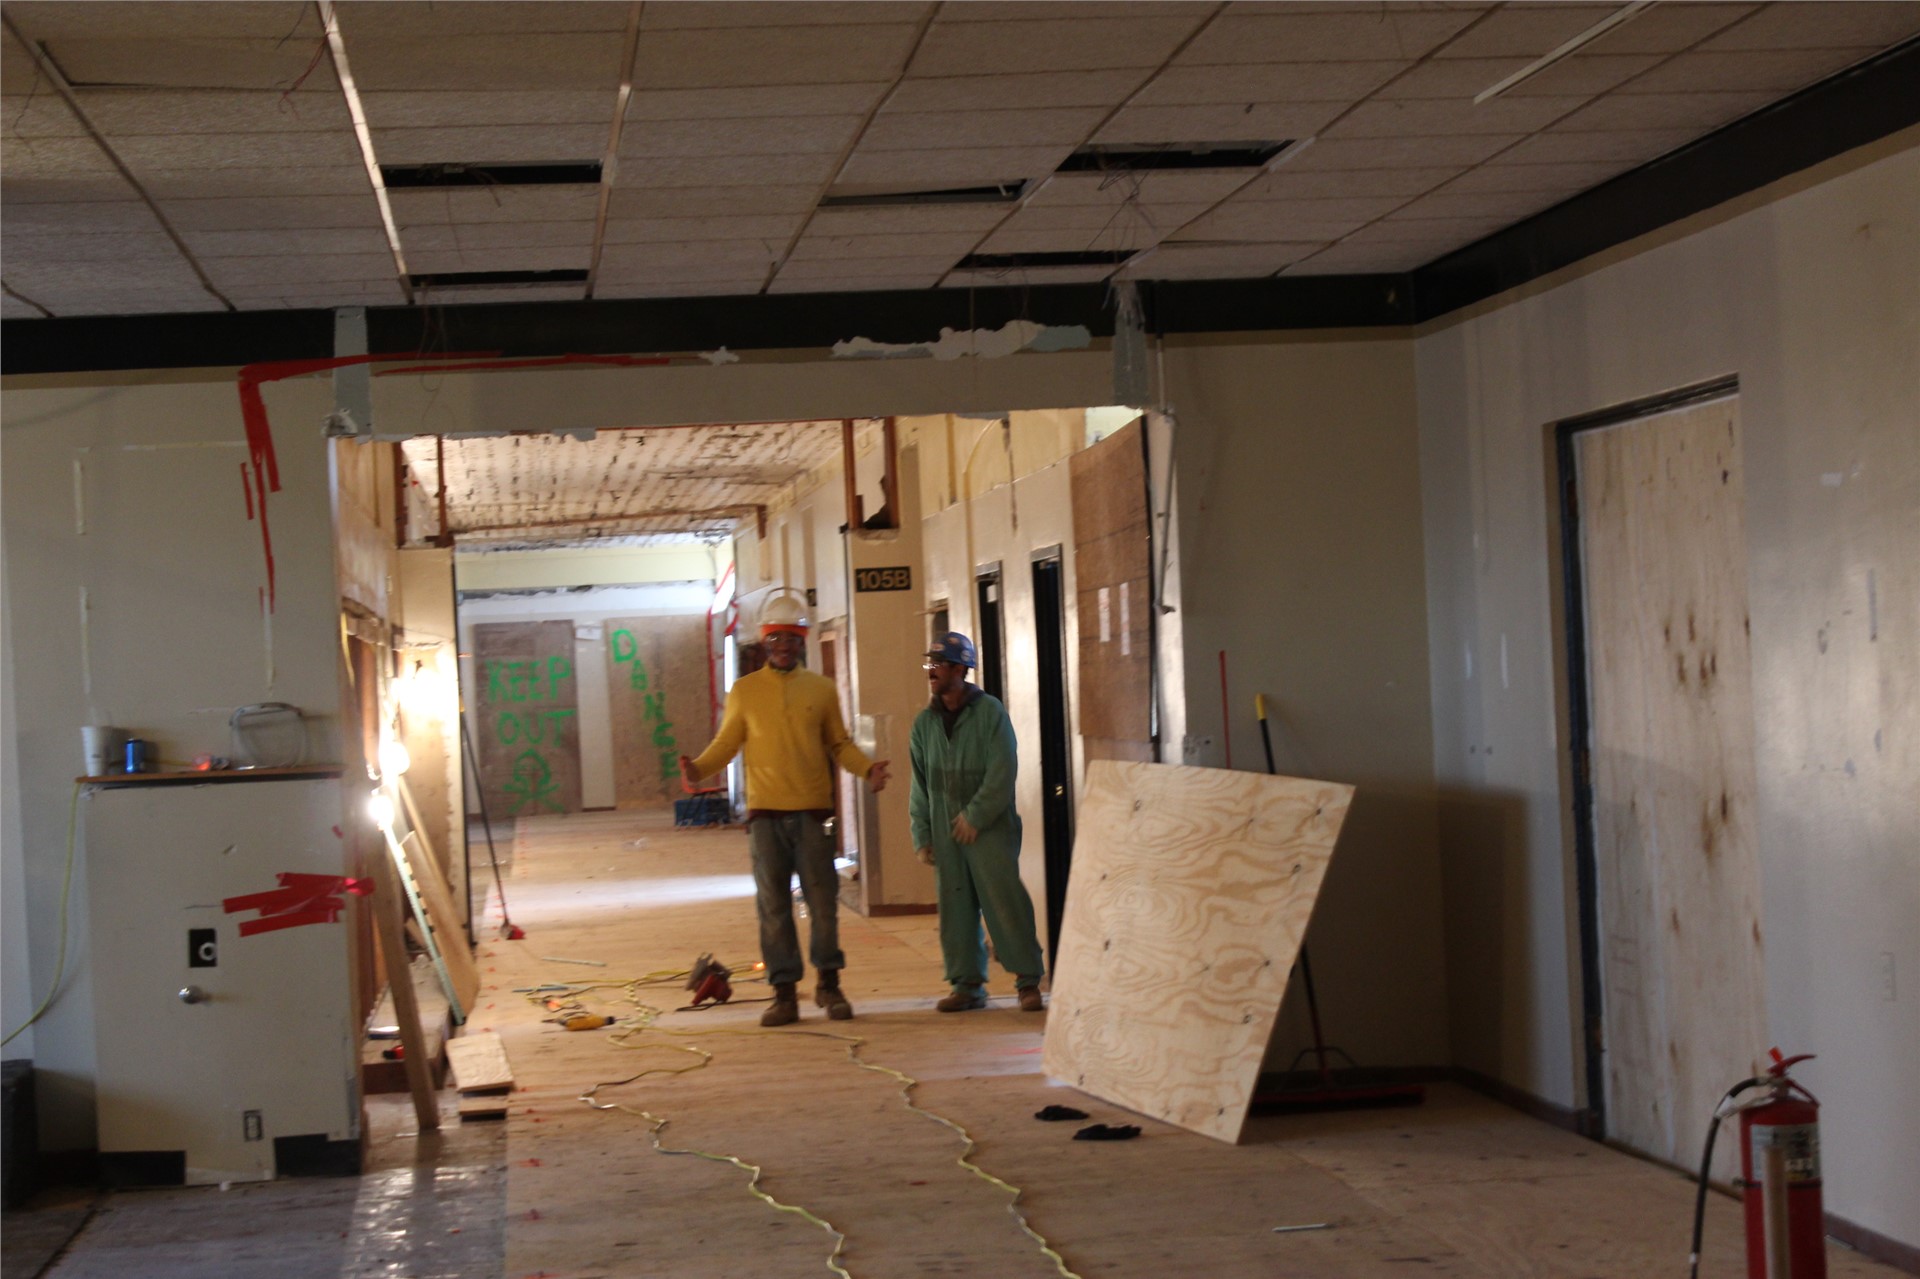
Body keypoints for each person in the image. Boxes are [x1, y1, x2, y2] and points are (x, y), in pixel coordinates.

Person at [680, 594, 889, 1027]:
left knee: (824, 905)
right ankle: (784, 993)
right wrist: (698, 769)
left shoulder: (822, 690)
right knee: (773, 908)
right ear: (764, 641)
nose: (783, 645)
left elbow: (839, 744)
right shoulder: (745, 692)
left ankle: (829, 985)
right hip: (764, 819)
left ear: (802, 641)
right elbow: (726, 744)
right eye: (775, 637)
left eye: (791, 638)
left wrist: (866, 770)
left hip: (812, 816)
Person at [909, 632, 1046, 1013]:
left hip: (988, 831)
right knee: (955, 906)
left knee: (1004, 902)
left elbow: (1003, 770)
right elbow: (920, 784)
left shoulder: (990, 714)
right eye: (930, 665)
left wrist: (976, 815)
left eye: (938, 665)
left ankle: (1027, 980)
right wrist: (922, 833)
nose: (931, 672)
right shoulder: (924, 724)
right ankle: (966, 985)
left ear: (961, 669)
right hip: (943, 829)